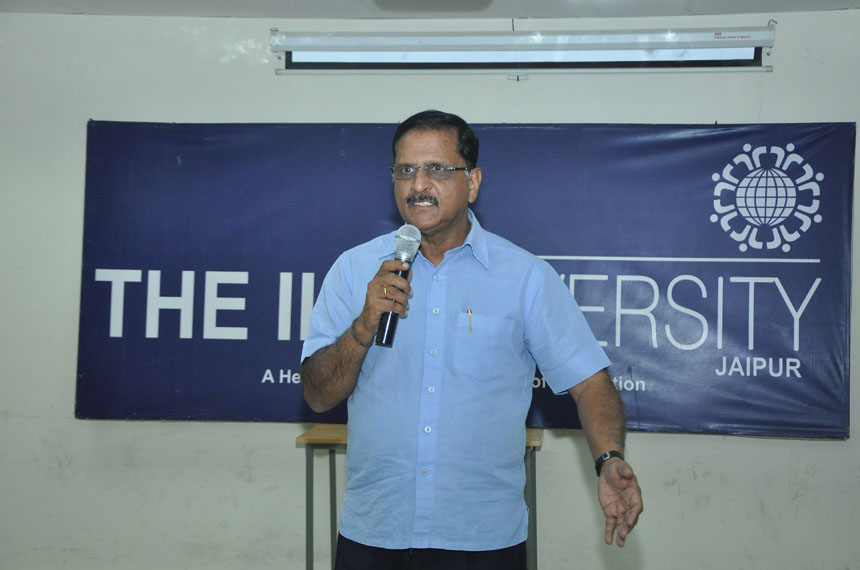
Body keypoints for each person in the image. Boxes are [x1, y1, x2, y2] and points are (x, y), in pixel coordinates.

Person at [300, 110, 643, 569]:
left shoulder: (525, 277)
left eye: (437, 169)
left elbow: (589, 383)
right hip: (375, 533)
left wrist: (608, 459)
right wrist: (363, 326)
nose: (418, 184)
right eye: (405, 170)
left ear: (473, 182)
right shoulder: (353, 270)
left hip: (482, 541)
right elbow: (317, 395)